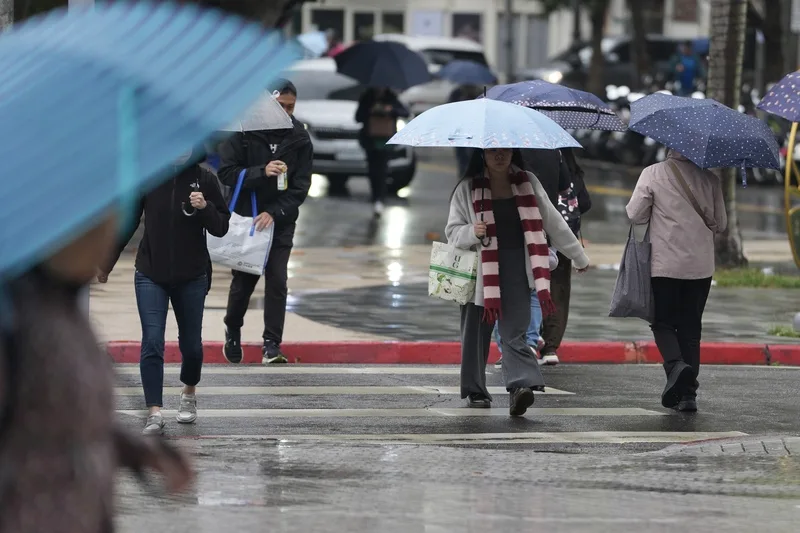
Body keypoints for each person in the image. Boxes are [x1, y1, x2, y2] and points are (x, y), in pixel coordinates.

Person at [0, 214, 192, 531]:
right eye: (91, 229)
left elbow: (65, 420)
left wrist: (142, 453)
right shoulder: (12, 320)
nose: (105, 240)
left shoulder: (61, 309)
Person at [446, 148, 590, 416]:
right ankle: (476, 390)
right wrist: (471, 232)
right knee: (476, 335)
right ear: (483, 154)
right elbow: (452, 232)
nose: (500, 156)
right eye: (493, 151)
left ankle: (520, 388)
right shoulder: (467, 188)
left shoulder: (528, 182)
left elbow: (554, 223)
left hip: (516, 269)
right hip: (480, 273)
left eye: (505, 151)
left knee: (515, 332)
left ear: (513, 153)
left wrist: (579, 257)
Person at [100, 151, 230, 435]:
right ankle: (154, 413)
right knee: (152, 341)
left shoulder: (204, 179)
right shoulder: (149, 177)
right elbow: (128, 223)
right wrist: (106, 262)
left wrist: (206, 207)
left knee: (192, 347)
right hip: (150, 273)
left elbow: (221, 227)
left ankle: (188, 393)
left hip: (192, 276)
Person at [218, 80, 313, 365]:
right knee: (244, 282)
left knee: (278, 280)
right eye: (281, 106)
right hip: (249, 220)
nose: (286, 111)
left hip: (280, 221)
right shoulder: (244, 131)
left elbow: (300, 187)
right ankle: (232, 329)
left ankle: (271, 344)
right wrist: (262, 171)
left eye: (291, 106)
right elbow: (226, 173)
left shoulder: (299, 138)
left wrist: (276, 212)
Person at [626, 149, 726, 412]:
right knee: (691, 330)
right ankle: (688, 396)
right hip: (701, 267)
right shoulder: (710, 179)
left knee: (662, 323)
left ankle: (675, 365)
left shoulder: (653, 173)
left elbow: (635, 214)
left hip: (665, 265)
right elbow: (722, 223)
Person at [540, 148, 592, 364]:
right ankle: (551, 347)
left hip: (537, 236)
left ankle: (531, 340)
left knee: (533, 289)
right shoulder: (571, 171)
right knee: (559, 291)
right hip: (564, 240)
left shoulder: (536, 165)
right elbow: (586, 203)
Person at [355, 87, 410, 217]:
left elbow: (405, 112)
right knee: (372, 168)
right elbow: (358, 117)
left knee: (382, 168)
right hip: (370, 139)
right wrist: (371, 111)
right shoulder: (367, 97)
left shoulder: (392, 98)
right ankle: (375, 195)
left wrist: (390, 111)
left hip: (386, 139)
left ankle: (379, 197)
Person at [448, 84, 482, 177]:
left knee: (474, 154)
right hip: (460, 129)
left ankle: (472, 174)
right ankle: (463, 174)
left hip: (475, 128)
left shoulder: (480, 93)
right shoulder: (457, 93)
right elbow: (450, 108)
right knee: (461, 155)